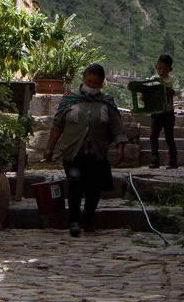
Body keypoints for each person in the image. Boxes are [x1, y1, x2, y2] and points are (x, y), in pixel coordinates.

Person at [44, 63, 127, 236]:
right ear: (83, 78)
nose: (92, 86)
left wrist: (120, 146)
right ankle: (74, 220)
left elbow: (117, 127)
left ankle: (88, 218)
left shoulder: (107, 102)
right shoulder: (69, 100)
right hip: (73, 153)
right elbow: (57, 125)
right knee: (75, 186)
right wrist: (49, 148)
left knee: (93, 188)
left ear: (102, 83)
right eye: (90, 81)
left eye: (97, 83)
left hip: (96, 154)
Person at [148, 54, 178, 169]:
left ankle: (173, 160)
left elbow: (178, 90)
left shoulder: (173, 79)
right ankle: (154, 159)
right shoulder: (152, 79)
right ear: (156, 66)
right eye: (160, 68)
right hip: (156, 113)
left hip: (168, 113)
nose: (162, 71)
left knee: (169, 137)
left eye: (165, 69)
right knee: (153, 135)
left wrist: (173, 91)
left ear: (170, 69)